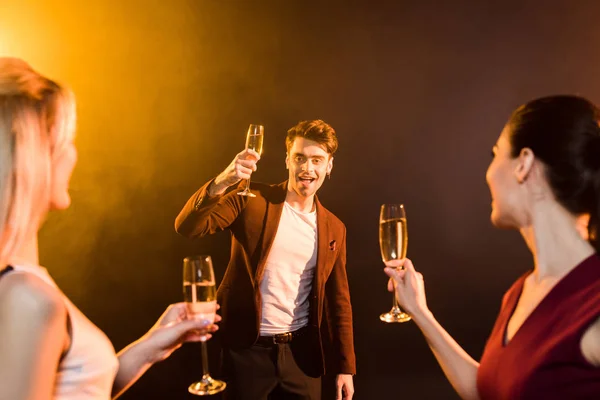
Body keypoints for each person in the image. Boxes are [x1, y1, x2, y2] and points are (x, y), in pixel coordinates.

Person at [0, 57, 219, 400]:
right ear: (34, 159)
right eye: (66, 140)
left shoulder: (22, 280)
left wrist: (152, 346)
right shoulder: (29, 297)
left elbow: (80, 390)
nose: (73, 153)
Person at [384, 95, 600, 399]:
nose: (488, 173)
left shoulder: (593, 302)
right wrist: (421, 313)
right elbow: (491, 390)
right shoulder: (520, 292)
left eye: (495, 154)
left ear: (523, 164)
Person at [175, 120, 356, 400]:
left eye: (317, 160)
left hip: (300, 357)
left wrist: (345, 368)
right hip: (245, 353)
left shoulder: (335, 227)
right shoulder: (252, 199)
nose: (308, 169)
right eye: (300, 158)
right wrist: (224, 180)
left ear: (329, 166)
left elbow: (339, 302)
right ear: (287, 160)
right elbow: (188, 226)